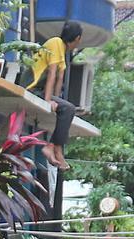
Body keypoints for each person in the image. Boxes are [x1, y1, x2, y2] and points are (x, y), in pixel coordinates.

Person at [26, 21, 84, 170]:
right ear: (77, 38)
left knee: (66, 109)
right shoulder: (56, 42)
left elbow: (59, 78)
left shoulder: (62, 52)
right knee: (69, 109)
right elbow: (52, 73)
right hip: (32, 87)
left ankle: (53, 147)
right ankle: (55, 148)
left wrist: (57, 102)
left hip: (41, 90)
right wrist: (48, 100)